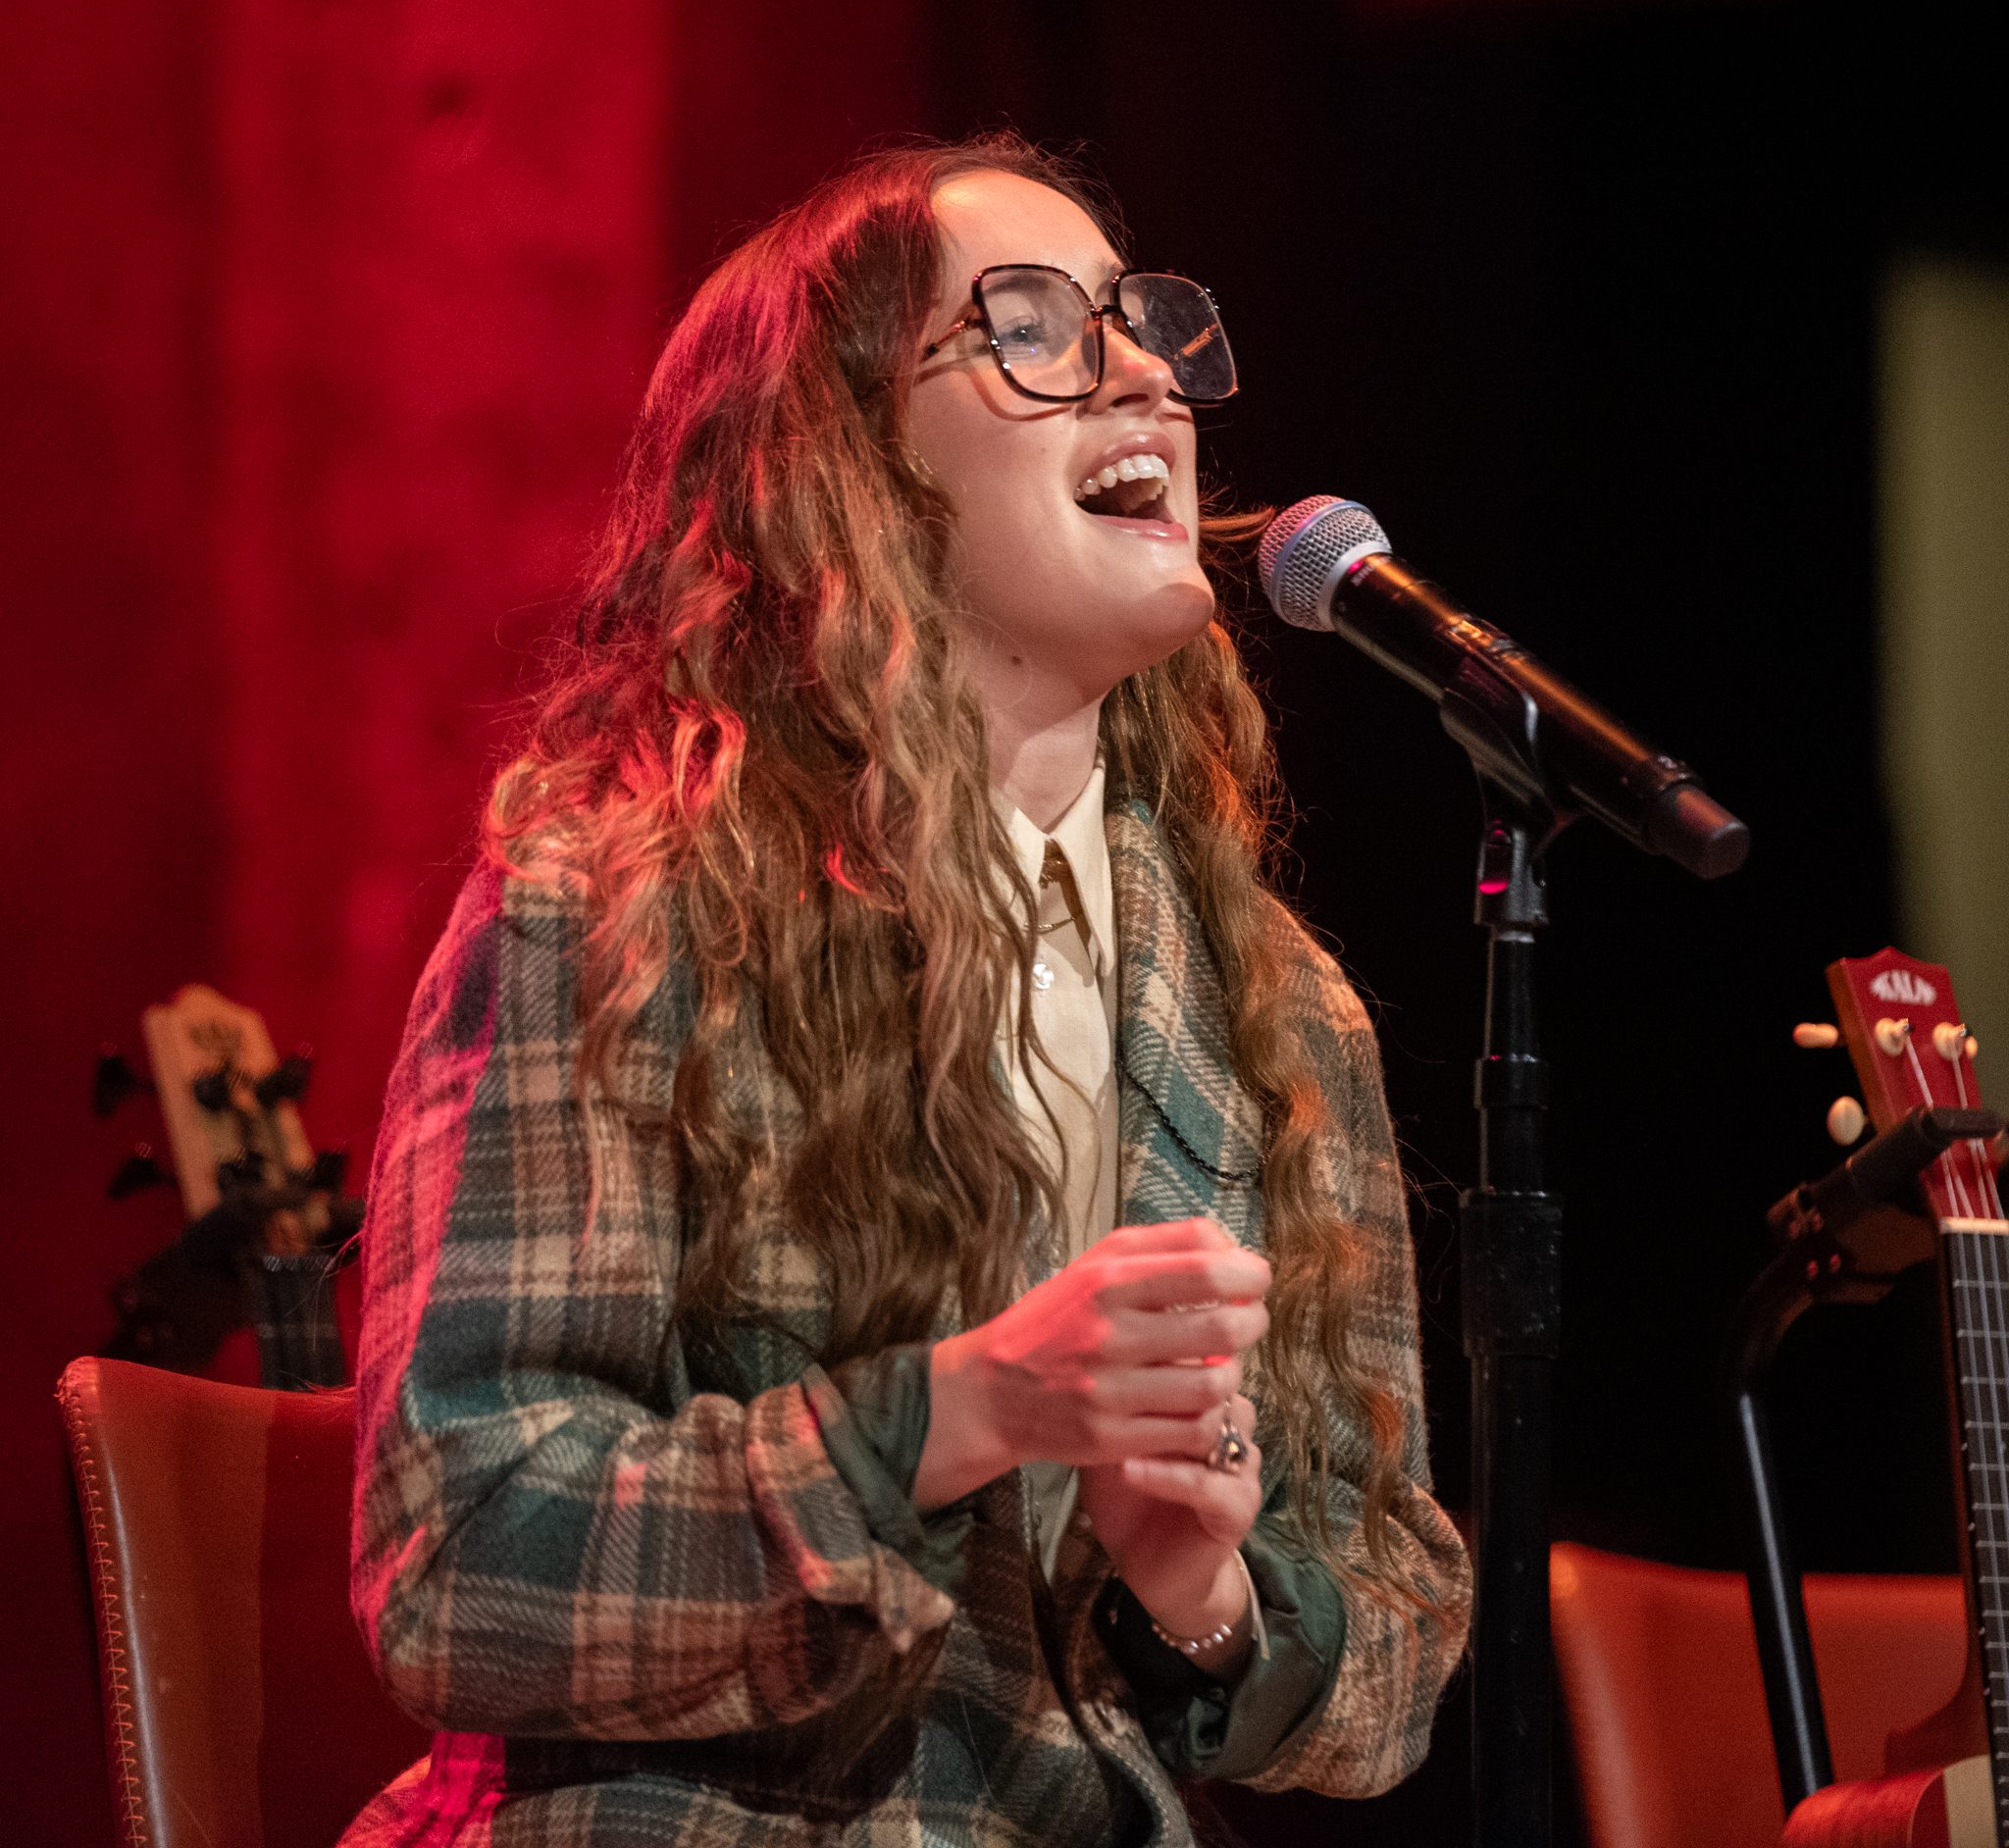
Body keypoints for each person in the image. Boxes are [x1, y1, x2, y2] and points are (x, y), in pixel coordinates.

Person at [340, 134, 1470, 1848]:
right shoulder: (621, 897)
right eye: (1032, 326)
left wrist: (1207, 1599)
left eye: (1140, 324)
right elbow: (458, 1551)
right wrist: (953, 1414)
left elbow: (1393, 1655)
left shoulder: (1280, 1010)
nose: (1149, 376)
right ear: (841, 464)